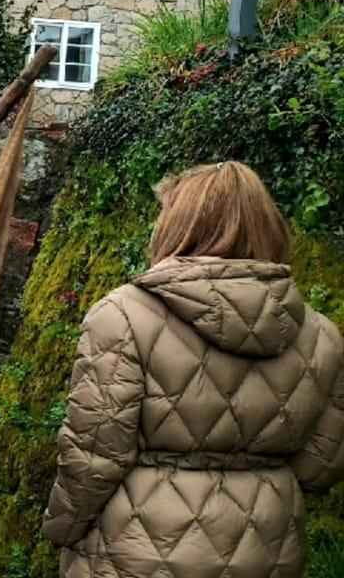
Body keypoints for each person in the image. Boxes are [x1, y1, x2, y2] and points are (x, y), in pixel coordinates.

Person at [42, 162, 344, 578]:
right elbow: (322, 464)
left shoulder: (123, 316)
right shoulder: (322, 335)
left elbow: (95, 455)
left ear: (178, 226)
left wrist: (63, 528)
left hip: (138, 549)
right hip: (268, 551)